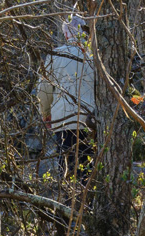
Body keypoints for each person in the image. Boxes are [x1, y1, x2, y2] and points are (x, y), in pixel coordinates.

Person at [39, 17, 95, 174]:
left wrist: (46, 115)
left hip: (64, 122)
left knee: (68, 171)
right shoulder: (94, 57)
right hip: (91, 122)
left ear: (65, 34)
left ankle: (69, 197)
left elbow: (44, 90)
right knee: (89, 172)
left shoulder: (55, 56)